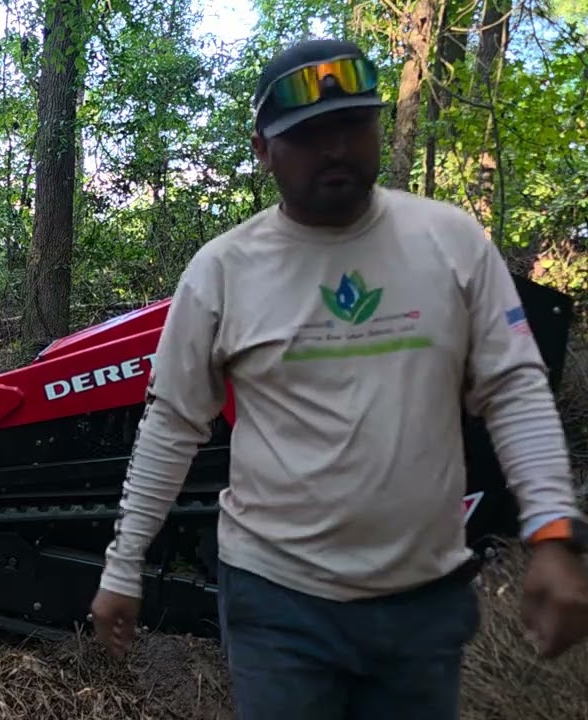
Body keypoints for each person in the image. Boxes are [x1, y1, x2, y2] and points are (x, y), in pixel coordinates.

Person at [89, 37, 588, 719]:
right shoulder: (224, 271)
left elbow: (515, 392)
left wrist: (553, 535)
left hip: (424, 600)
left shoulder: (451, 243)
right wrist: (123, 565)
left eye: (353, 125)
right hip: (277, 600)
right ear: (263, 149)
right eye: (308, 134)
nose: (335, 148)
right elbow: (173, 423)